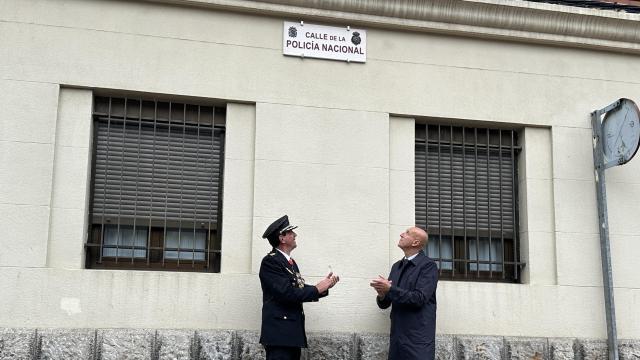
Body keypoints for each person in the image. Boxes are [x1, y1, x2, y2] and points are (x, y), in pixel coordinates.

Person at [259, 215, 339, 360]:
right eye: (290, 232)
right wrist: (316, 289)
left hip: (290, 333)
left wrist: (323, 287)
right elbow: (286, 293)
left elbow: (298, 288)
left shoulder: (290, 262)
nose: (295, 235)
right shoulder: (270, 262)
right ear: (282, 238)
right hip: (279, 335)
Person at [370, 226, 438, 360]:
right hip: (397, 338)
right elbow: (385, 304)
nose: (401, 234)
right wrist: (382, 294)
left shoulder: (428, 266)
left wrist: (390, 289)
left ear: (415, 243)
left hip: (418, 340)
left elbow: (419, 298)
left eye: (407, 233)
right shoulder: (397, 266)